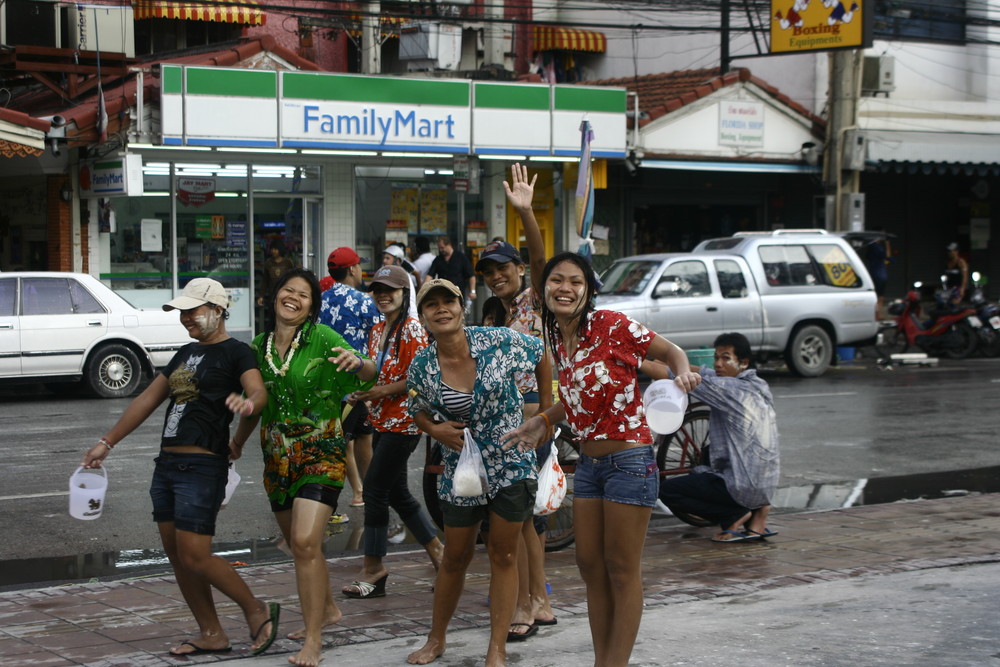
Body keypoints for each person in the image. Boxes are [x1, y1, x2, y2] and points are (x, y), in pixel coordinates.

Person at [501, 249, 701, 667]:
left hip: (630, 462)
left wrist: (682, 373)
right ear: (544, 288)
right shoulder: (555, 334)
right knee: (590, 566)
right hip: (589, 468)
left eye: (576, 282)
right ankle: (602, 660)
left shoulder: (611, 325)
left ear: (588, 290)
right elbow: (574, 397)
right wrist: (540, 421)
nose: (565, 288)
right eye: (557, 280)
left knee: (621, 570)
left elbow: (671, 352)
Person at [80, 278, 280, 658]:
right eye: (182, 311)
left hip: (203, 466)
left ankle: (256, 609)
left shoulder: (237, 352)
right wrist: (106, 443)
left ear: (218, 311)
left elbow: (258, 394)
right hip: (168, 464)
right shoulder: (184, 354)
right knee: (177, 555)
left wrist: (246, 411)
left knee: (195, 554)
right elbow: (147, 399)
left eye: (193, 310)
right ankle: (211, 632)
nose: (186, 317)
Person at [230, 268, 376, 667]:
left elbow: (372, 372)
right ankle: (327, 609)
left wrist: (358, 360)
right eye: (288, 291)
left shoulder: (323, 339)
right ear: (274, 296)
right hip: (277, 460)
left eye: (304, 295)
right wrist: (237, 442)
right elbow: (253, 404)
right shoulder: (257, 348)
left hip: (321, 456)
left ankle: (313, 640)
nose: (294, 298)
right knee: (299, 546)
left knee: (307, 543)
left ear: (313, 306)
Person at [405, 278, 546, 667]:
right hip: (461, 466)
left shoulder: (497, 339)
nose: (441, 309)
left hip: (510, 459)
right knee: (455, 556)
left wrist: (546, 414)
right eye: (431, 305)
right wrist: (433, 429)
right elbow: (413, 404)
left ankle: (496, 648)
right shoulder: (422, 364)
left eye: (447, 301)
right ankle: (436, 640)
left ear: (460, 306)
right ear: (424, 317)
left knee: (502, 554)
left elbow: (541, 353)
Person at [477, 164, 556, 637]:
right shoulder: (498, 315)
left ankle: (525, 606)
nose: (495, 276)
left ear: (520, 270)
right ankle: (540, 599)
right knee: (525, 519)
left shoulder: (535, 303)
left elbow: (543, 261)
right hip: (512, 422)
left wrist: (525, 212)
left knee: (518, 516)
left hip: (532, 418)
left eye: (503, 268)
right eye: (488, 271)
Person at [341, 264, 444, 600]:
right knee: (397, 492)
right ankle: (440, 555)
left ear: (405, 294)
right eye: (378, 290)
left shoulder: (412, 330)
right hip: (381, 419)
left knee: (373, 490)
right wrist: (363, 389)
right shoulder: (376, 330)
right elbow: (377, 372)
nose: (383, 296)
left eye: (391, 290)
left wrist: (378, 393)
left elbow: (417, 379)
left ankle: (373, 567)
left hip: (407, 421)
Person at [658, 332, 780, 544]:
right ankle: (758, 511)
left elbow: (668, 374)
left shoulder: (729, 389)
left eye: (725, 358)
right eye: (716, 358)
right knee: (709, 452)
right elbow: (698, 372)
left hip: (742, 485)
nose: (718, 363)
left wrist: (635, 359)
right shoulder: (759, 385)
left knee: (665, 491)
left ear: (743, 362)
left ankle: (732, 515)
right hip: (765, 485)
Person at [320, 247, 384, 511]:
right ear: (353, 269)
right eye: (359, 266)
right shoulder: (363, 301)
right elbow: (379, 337)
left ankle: (349, 496)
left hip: (328, 384)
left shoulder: (320, 299)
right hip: (360, 382)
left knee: (338, 443)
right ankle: (370, 494)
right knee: (363, 438)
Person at [426, 235, 476, 303]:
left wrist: (472, 291)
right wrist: (425, 288)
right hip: (443, 293)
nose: (441, 250)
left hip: (458, 292)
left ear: (449, 245)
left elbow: (471, 276)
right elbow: (430, 275)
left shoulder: (461, 257)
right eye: (439, 248)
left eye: (442, 248)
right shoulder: (438, 259)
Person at [258, 241, 295, 329]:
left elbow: (293, 278)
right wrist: (261, 295)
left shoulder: (288, 263)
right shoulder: (268, 263)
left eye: (275, 249)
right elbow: (265, 280)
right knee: (273, 315)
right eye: (272, 249)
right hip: (273, 294)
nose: (273, 251)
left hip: (286, 294)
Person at [382, 243, 419, 314]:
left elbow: (409, 302)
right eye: (384, 258)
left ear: (398, 260)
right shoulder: (388, 274)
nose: (384, 261)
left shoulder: (403, 276)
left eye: (387, 258)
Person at [866, 232, 891, 319]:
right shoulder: (877, 247)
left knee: (876, 295)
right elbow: (887, 256)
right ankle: (877, 315)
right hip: (880, 274)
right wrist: (887, 244)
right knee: (880, 296)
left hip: (873, 273)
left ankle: (875, 314)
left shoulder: (870, 246)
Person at [944, 242, 969, 306]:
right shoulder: (947, 262)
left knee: (954, 305)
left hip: (957, 288)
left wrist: (962, 289)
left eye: (951, 251)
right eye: (948, 251)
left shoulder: (961, 262)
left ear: (956, 251)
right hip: (948, 288)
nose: (949, 253)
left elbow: (965, 277)